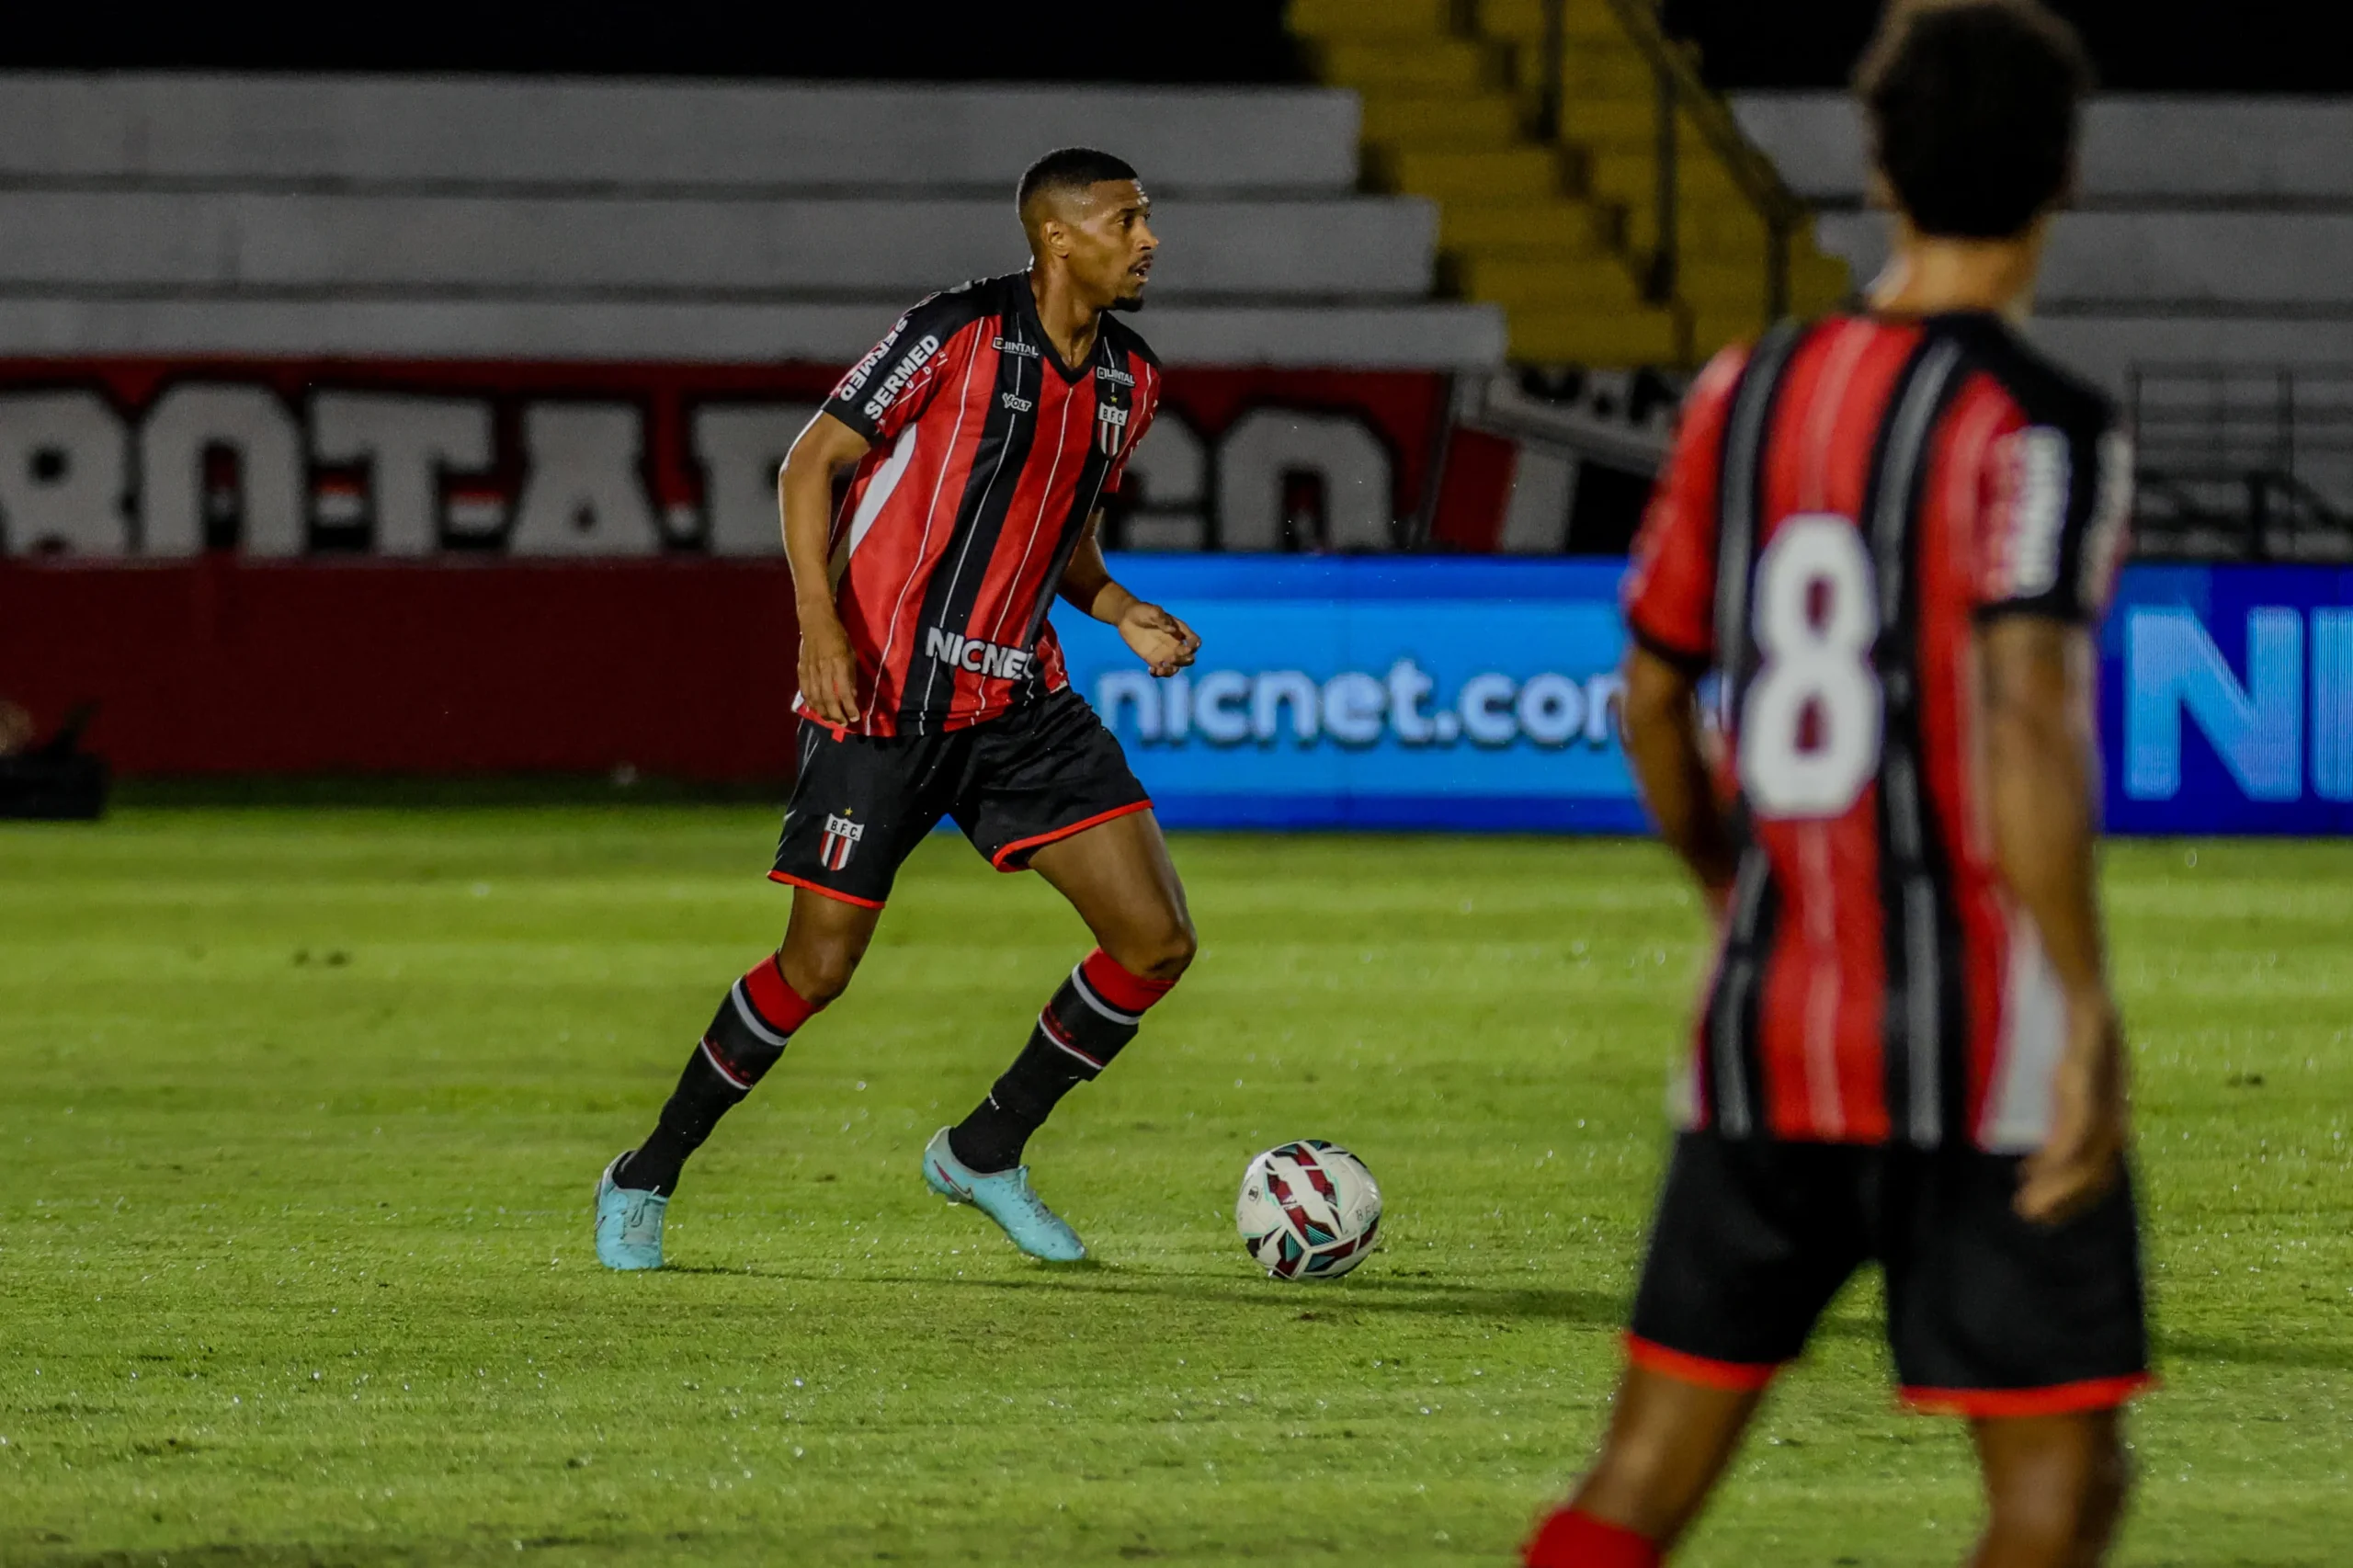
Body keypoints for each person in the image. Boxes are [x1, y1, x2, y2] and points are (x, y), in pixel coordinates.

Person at [1523, 5, 2147, 1564]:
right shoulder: (2043, 424)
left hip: (1769, 1028)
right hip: (1985, 1044)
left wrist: (1744, 897)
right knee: (2059, 1495)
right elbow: (2023, 714)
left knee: (1643, 1479)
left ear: (1879, 170)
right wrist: (2087, 1014)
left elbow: (1655, 694)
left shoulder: (1748, 391)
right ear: (2064, 174)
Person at [594, 147, 1201, 1270]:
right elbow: (807, 463)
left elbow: (1059, 535)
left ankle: (985, 1147)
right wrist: (819, 627)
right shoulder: (955, 330)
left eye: (1147, 219)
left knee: (1155, 939)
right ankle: (645, 1170)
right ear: (1058, 237)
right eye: (1126, 220)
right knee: (815, 969)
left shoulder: (1132, 382)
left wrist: (1122, 609)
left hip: (1019, 699)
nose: (1148, 239)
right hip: (882, 695)